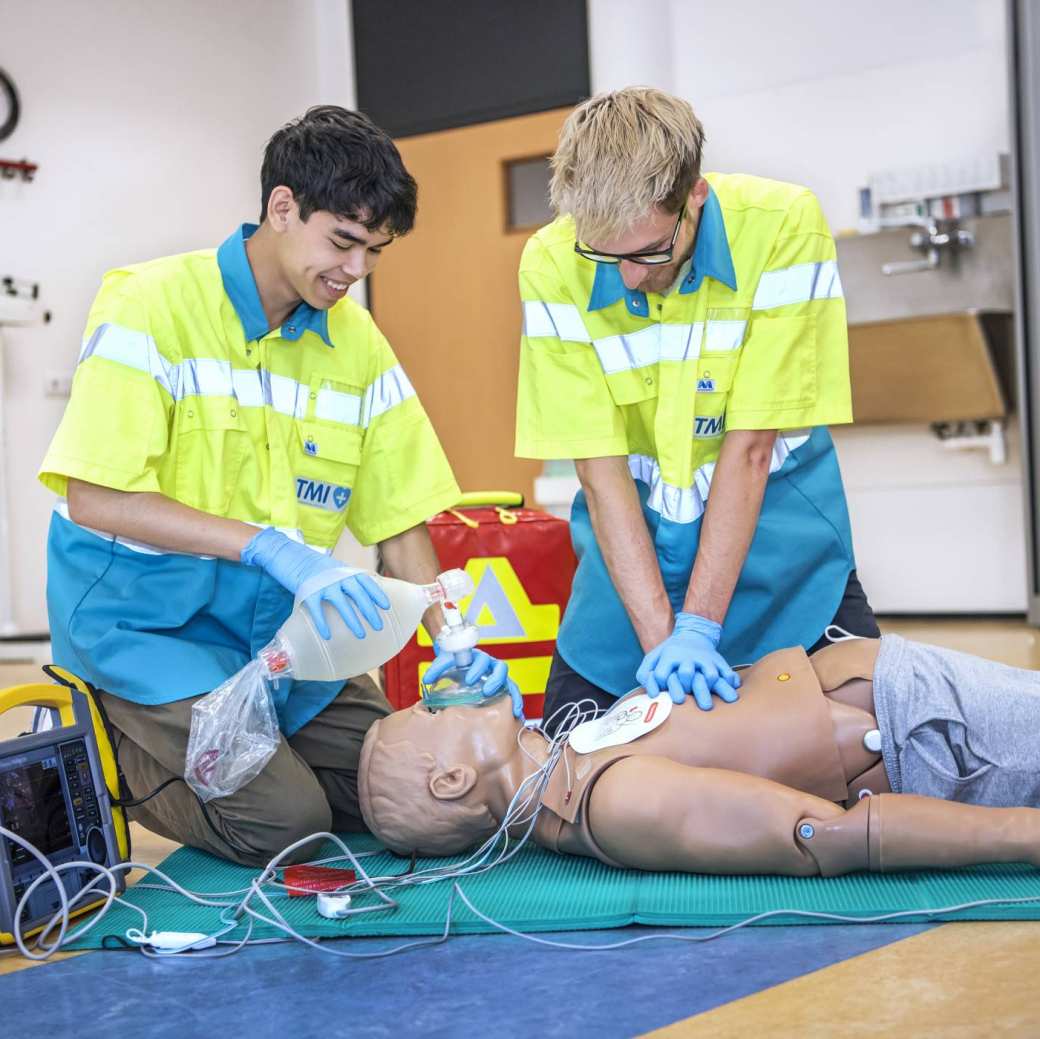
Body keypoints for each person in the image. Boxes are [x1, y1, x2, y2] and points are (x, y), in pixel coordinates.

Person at [37, 106, 516, 867]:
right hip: (147, 637)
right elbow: (97, 496)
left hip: (286, 644)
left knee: (411, 787)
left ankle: (262, 752)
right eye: (344, 242)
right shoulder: (149, 306)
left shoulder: (355, 341)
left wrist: (452, 642)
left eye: (374, 252)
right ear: (282, 207)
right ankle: (114, 742)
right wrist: (267, 548)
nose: (356, 271)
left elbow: (400, 519)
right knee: (290, 824)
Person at [514, 87, 877, 725]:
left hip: (778, 548)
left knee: (873, 747)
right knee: (563, 781)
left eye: (649, 251)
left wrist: (700, 627)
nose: (627, 276)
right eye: (604, 255)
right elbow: (600, 472)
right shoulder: (550, 259)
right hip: (631, 562)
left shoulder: (783, 225)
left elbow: (752, 448)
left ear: (695, 197)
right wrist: (665, 648)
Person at [358, 634, 1040, 876]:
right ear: (451, 779)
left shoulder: (569, 760)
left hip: (920, 705)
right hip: (935, 734)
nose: (436, 697)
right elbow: (820, 833)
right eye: (424, 714)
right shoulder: (614, 802)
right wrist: (1024, 835)